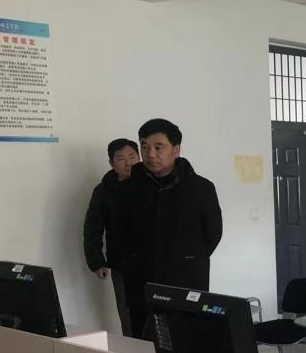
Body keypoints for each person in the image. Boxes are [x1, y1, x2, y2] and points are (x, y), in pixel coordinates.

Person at [118, 118, 222, 338]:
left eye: (158, 147)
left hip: (185, 279)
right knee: (141, 343)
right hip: (141, 280)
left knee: (187, 340)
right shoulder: (128, 190)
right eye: (144, 146)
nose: (150, 154)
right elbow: (120, 233)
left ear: (176, 150)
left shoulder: (201, 188)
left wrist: (187, 257)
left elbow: (212, 234)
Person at [83, 139, 139, 335]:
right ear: (111, 163)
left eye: (132, 157)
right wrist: (96, 261)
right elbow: (93, 227)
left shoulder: (151, 185)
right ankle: (133, 352)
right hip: (121, 263)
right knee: (127, 314)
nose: (128, 163)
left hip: (153, 262)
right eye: (121, 158)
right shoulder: (104, 191)